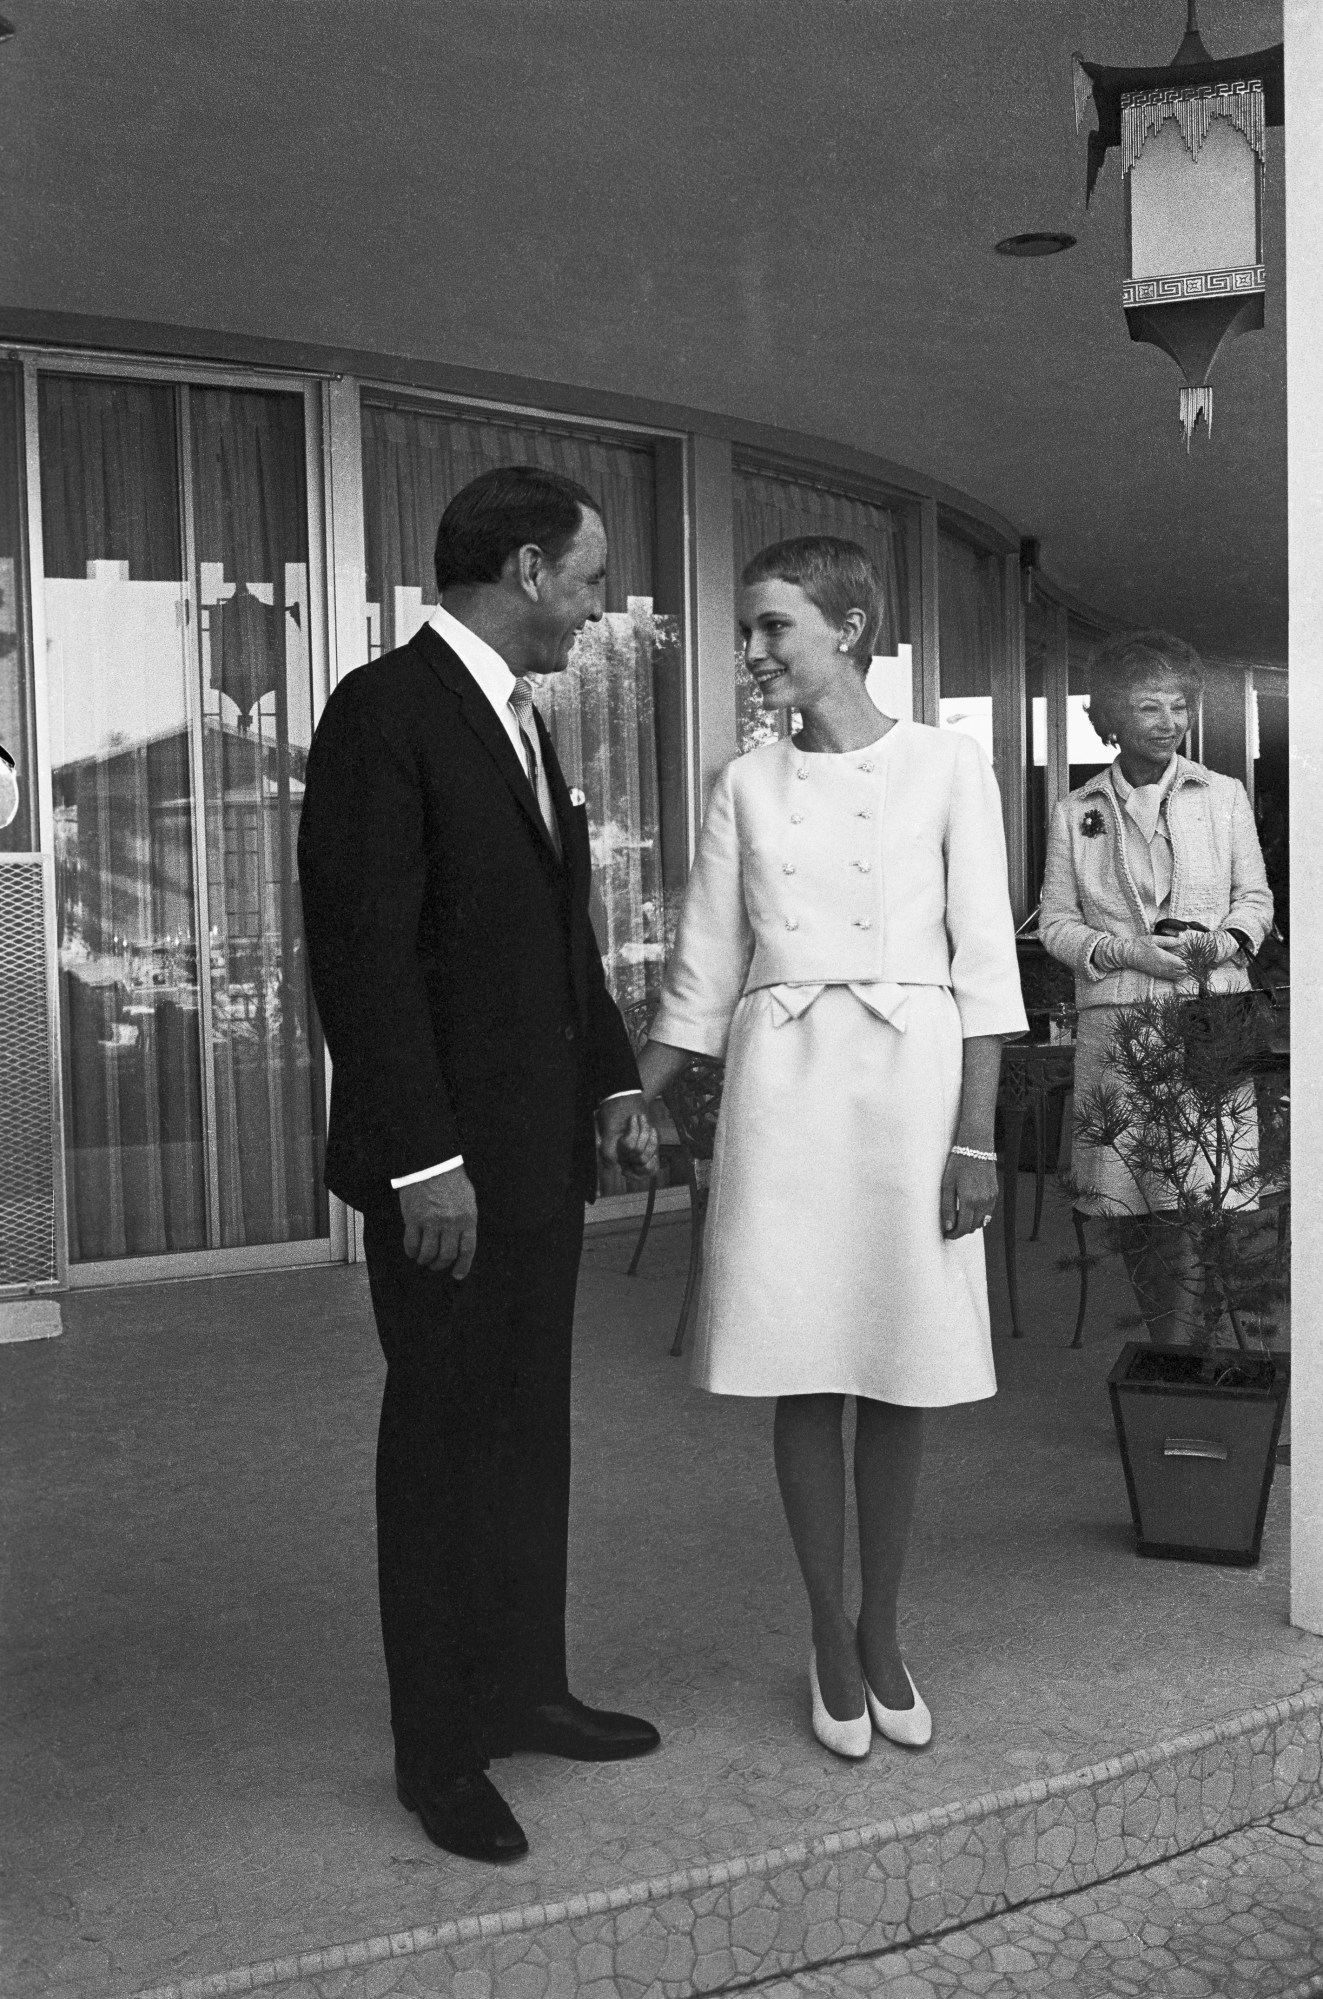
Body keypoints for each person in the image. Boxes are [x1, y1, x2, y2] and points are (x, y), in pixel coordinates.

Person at [298, 466, 662, 1865]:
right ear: (521, 569)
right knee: (445, 1444)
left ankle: (522, 1684)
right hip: (445, 1174)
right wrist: (422, 1159)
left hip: (534, 1160)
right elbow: (362, 959)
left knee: (524, 1427)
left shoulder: (519, 721)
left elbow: (551, 934)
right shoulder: (382, 713)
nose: (595, 604)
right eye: (586, 576)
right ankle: (437, 1749)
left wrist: (614, 1076)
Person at [637, 536, 1026, 1759]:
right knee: (804, 1360)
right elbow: (704, 966)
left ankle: (885, 1628)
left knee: (901, 1360)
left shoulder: (949, 766)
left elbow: (987, 968)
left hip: (913, 1086)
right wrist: (629, 1095)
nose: (752, 653)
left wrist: (976, 1142)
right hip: (785, 1088)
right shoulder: (743, 784)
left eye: (771, 628)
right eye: (749, 631)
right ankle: (822, 1631)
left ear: (848, 628)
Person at [1039, 630, 1273, 1340]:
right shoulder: (1077, 810)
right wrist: (1124, 949)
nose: (1168, 721)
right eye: (1148, 706)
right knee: (1130, 1199)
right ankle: (1167, 1345)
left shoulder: (1221, 794)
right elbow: (1054, 923)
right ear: (1113, 713)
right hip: (1118, 1024)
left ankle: (1189, 1355)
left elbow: (1255, 902)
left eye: (1178, 705)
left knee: (1202, 1193)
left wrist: (1218, 944)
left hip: (1209, 1015)